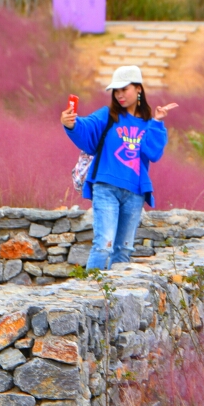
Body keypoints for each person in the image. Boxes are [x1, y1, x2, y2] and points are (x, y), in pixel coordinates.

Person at [61, 64, 178, 270]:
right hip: (105, 187)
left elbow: (153, 153)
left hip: (135, 192)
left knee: (123, 250)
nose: (120, 95)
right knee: (103, 245)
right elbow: (86, 128)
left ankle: (116, 298)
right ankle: (90, 294)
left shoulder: (148, 124)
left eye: (124, 89)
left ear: (138, 89)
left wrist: (158, 122)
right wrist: (71, 123)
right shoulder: (107, 115)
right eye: (116, 91)